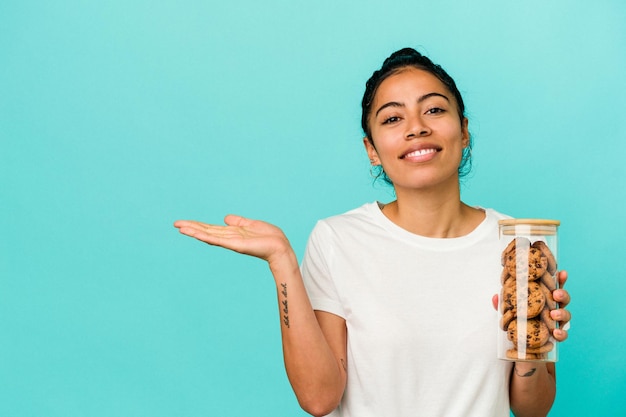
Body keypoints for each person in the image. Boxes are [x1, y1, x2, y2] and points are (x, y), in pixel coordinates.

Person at [174, 47, 571, 417]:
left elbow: (531, 409)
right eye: (393, 118)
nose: (416, 128)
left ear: (463, 130)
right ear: (372, 150)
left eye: (434, 110)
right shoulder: (337, 239)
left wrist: (529, 350)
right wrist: (282, 262)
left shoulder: (519, 246)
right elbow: (319, 398)